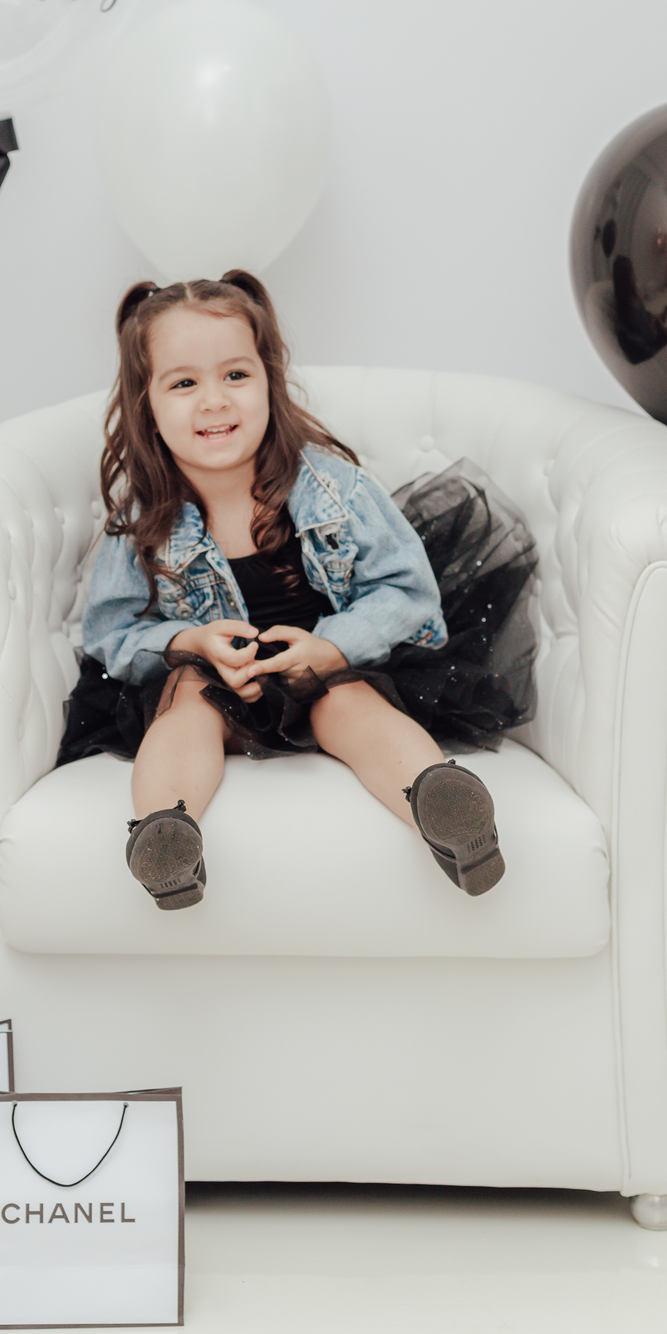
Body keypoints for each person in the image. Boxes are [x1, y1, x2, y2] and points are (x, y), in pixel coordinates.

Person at [56, 271, 536, 911]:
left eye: (235, 374)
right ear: (146, 404)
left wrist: (332, 646)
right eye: (184, 383)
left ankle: (443, 804)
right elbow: (111, 634)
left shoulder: (336, 489)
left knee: (346, 702)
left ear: (269, 379)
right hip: (218, 687)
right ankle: (166, 833)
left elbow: (407, 591)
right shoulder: (145, 521)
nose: (214, 401)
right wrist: (189, 641)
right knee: (189, 697)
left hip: (325, 668)